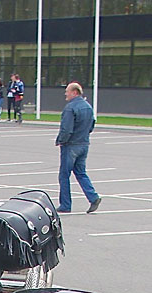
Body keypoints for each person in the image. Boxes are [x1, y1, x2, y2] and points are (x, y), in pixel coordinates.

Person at [55, 82, 100, 214]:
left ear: (74, 92)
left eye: (67, 91)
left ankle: (65, 204)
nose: (65, 94)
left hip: (71, 145)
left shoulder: (70, 108)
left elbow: (66, 128)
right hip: (84, 144)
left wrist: (61, 140)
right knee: (80, 172)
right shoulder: (88, 107)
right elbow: (91, 125)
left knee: (64, 175)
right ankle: (93, 197)